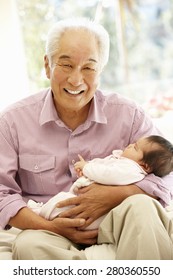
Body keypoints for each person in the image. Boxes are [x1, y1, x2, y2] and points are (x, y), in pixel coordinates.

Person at [0, 17, 173, 260]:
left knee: (143, 207)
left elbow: (167, 176)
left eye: (89, 67)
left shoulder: (129, 114)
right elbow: (2, 194)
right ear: (48, 65)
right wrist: (51, 227)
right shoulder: (11, 121)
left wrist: (116, 195)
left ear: (100, 70)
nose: (76, 80)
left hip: (115, 218)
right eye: (66, 65)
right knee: (28, 245)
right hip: (52, 226)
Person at [27, 135, 173, 230]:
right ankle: (43, 212)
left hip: (94, 214)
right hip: (84, 202)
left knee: (61, 204)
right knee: (62, 201)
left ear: (145, 166)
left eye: (135, 147)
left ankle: (41, 212)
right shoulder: (125, 161)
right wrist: (87, 168)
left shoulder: (132, 169)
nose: (129, 145)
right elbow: (103, 166)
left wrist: (87, 167)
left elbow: (108, 175)